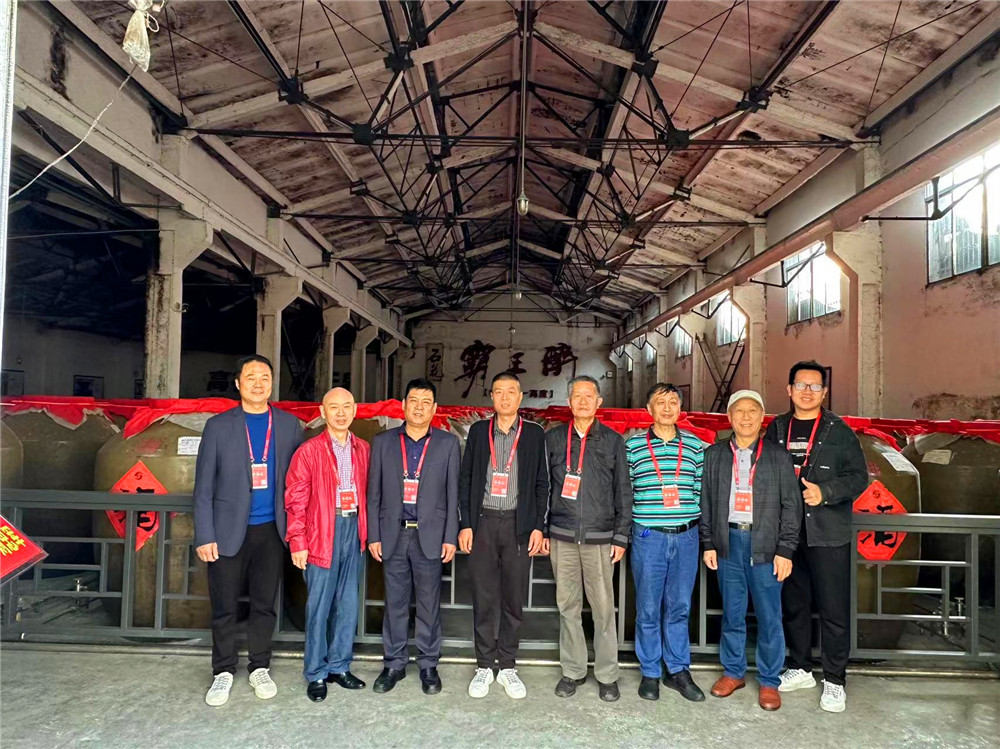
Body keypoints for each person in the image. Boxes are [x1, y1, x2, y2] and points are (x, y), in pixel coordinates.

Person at [194, 355, 303, 707]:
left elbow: (298, 484)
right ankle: (223, 670)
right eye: (251, 377)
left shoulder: (289, 425)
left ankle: (259, 666)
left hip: (271, 530)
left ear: (272, 383)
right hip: (227, 531)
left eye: (265, 377)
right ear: (239, 384)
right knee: (224, 605)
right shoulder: (218, 426)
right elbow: (203, 487)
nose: (259, 383)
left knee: (264, 604)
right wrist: (204, 534)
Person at [765, 361, 868, 713]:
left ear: (824, 392)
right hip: (788, 535)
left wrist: (825, 492)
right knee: (794, 604)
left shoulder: (840, 431)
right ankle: (800, 668)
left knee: (833, 609)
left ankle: (835, 680)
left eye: (814, 386)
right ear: (789, 390)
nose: (807, 391)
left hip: (827, 533)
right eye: (800, 385)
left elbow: (858, 477)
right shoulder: (777, 428)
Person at [699, 390, 801, 712]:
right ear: (729, 417)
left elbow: (792, 506)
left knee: (770, 615)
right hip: (729, 542)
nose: (745, 417)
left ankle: (769, 679)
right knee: (732, 613)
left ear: (761, 418)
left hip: (766, 544)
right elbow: (706, 502)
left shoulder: (778, 456)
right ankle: (733, 672)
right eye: (739, 411)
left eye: (752, 411)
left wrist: (786, 549)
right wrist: (708, 542)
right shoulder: (715, 455)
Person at [458, 371, 548, 699]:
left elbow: (542, 483)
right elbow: (466, 479)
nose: (505, 397)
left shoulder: (534, 434)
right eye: (499, 391)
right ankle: (484, 665)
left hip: (517, 525)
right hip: (483, 522)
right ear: (492, 397)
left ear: (521, 397)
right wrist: (466, 524)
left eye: (511, 391)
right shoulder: (479, 431)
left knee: (513, 596)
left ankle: (508, 664)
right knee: (483, 597)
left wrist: (538, 526)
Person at [367, 378, 460, 695]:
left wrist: (450, 537)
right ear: (404, 406)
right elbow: (373, 493)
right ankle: (393, 663)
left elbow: (452, 494)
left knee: (428, 604)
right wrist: (374, 535)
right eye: (414, 401)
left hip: (430, 536)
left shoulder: (447, 444)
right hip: (393, 535)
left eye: (426, 402)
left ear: (434, 409)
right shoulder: (384, 442)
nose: (419, 407)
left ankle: (428, 664)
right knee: (394, 602)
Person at [544, 375, 632, 702]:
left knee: (603, 608)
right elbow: (544, 488)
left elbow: (623, 491)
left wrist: (620, 536)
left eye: (589, 396)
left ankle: (607, 674)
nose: (582, 401)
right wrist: (543, 529)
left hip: (600, 538)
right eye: (577, 396)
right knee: (568, 606)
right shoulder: (554, 439)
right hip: (562, 536)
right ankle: (573, 670)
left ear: (599, 402)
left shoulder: (613, 441)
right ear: (569, 402)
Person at [285, 387, 370, 702]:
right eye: (334, 407)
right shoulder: (309, 451)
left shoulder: (363, 449)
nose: (341, 413)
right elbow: (295, 500)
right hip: (322, 529)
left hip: (353, 527)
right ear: (322, 412)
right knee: (319, 606)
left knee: (347, 604)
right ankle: (316, 672)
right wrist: (298, 540)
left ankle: (340, 666)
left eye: (347, 406)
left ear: (355, 410)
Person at [625, 383, 705, 702]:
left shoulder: (696, 446)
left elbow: (699, 489)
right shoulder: (633, 447)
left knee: (680, 605)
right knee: (647, 606)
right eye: (661, 402)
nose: (668, 408)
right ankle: (650, 671)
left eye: (673, 402)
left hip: (687, 536)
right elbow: (627, 490)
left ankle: (677, 669)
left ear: (680, 409)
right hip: (649, 536)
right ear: (649, 409)